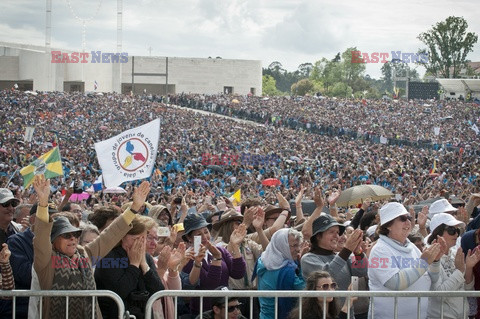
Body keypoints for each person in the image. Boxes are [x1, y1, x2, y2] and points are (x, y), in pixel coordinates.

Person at [32, 175, 151, 319]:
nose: (72, 238)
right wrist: (43, 204)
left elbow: (109, 234)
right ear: (53, 240)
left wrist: (134, 208)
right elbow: (41, 238)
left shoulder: (85, 254)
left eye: (76, 234)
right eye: (66, 235)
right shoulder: (46, 261)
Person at [368, 202, 443, 319]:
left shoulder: (412, 247)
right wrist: (424, 263)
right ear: (388, 225)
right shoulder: (379, 250)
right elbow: (394, 282)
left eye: (409, 217)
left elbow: (432, 279)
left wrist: (435, 261)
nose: (408, 222)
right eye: (402, 218)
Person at [95, 215, 165, 319]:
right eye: (136, 239)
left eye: (143, 239)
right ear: (123, 237)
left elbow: (158, 291)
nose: (140, 243)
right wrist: (134, 265)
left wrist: (144, 265)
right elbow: (120, 291)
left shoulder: (146, 257)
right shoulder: (108, 258)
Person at [181, 213, 246, 316]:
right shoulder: (187, 258)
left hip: (226, 312)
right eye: (198, 234)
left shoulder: (219, 250)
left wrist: (234, 246)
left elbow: (238, 274)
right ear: (189, 237)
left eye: (206, 232)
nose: (204, 237)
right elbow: (210, 286)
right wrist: (217, 259)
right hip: (203, 313)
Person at [426, 213, 480, 319]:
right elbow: (439, 295)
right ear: (438, 232)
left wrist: (469, 268)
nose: (456, 235)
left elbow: (468, 288)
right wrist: (459, 271)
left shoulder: (455, 253)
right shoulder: (429, 256)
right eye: (452, 231)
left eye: (458, 231)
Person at [256, 228, 305, 319]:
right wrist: (302, 265)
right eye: (294, 245)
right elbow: (303, 288)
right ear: (282, 246)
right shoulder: (286, 270)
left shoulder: (263, 260)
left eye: (299, 245)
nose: (298, 249)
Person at [288, 271, 355, 319]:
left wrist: (347, 305)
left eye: (332, 285)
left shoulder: (333, 311)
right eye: (325, 286)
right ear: (313, 289)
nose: (330, 290)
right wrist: (346, 307)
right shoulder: (306, 315)